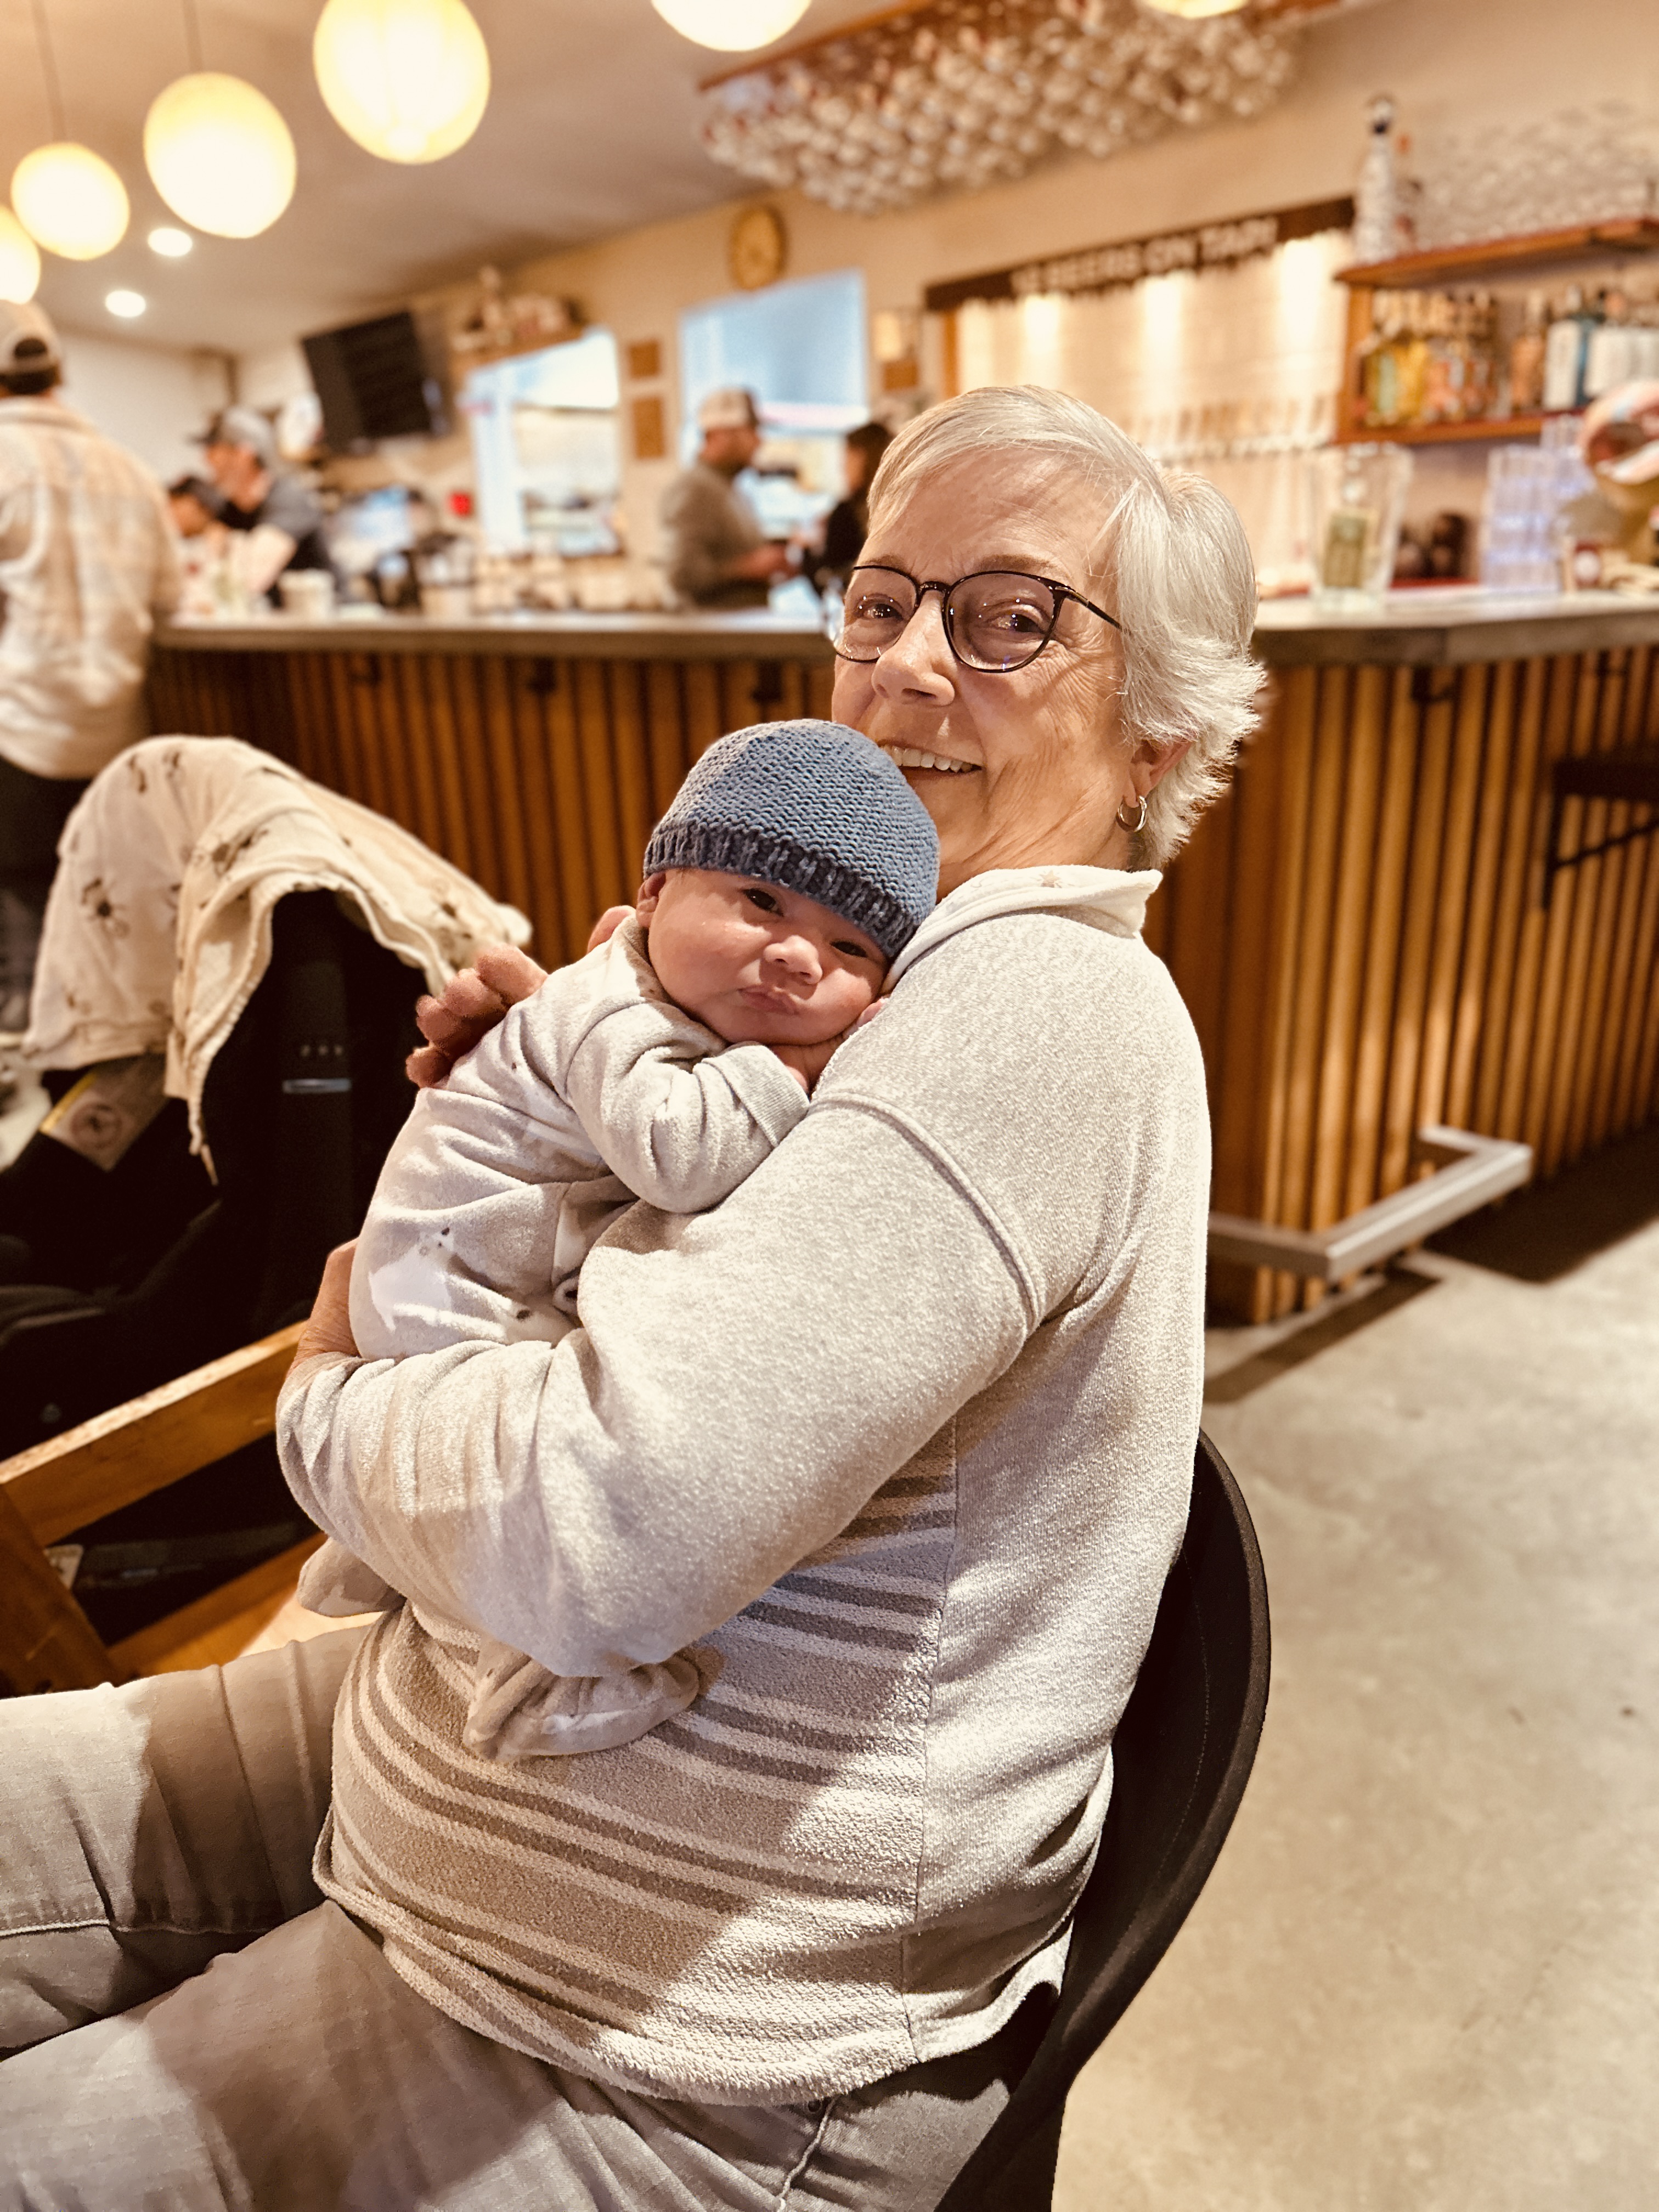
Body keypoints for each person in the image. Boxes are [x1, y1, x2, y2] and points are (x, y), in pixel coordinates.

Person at [0, 384, 1264, 2209]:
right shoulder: (864, 976)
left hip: (640, 2023)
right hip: (462, 1758)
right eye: (880, 597)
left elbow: (592, 1538)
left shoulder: (1032, 1003)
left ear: (1152, 734)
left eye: (1007, 620)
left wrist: (334, 1388)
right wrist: (549, 1123)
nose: (908, 664)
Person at [301, 719, 940, 1763]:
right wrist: (792, 1075)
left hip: (476, 1257)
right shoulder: (612, 1005)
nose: (792, 955)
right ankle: (525, 1673)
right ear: (650, 899)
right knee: (523, 1469)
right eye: (761, 900)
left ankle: (383, 1554)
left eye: (847, 948)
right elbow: (677, 1155)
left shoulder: (661, 997)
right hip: (457, 1277)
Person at [0, 302, 178, 1035]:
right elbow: (171, 601)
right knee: (113, 917)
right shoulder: (131, 470)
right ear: (60, 374)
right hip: (116, 740)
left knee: (27, 930)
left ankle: (35, 1064)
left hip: (16, 736)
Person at [659, 386, 794, 608]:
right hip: (712, 639)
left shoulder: (733, 489)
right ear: (720, 434)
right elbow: (682, 575)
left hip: (742, 634)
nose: (759, 442)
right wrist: (748, 567)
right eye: (751, 431)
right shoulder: (694, 489)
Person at [197, 404, 333, 607]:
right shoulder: (229, 509)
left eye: (214, 449)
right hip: (281, 628)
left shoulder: (289, 500)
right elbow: (203, 568)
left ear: (244, 454)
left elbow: (249, 580)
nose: (206, 459)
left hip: (329, 627)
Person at [815, 417, 894, 590]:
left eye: (847, 458)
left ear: (861, 458)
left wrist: (810, 550)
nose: (843, 467)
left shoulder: (846, 513)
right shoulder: (899, 503)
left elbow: (827, 580)